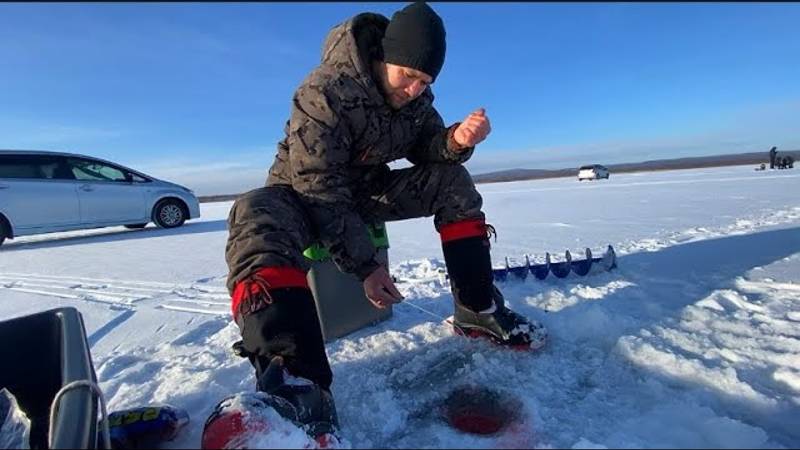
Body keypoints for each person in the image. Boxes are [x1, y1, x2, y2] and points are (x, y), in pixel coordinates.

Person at [219, 1, 547, 441]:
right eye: (408, 75)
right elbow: (319, 186)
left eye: (425, 81)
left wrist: (455, 140)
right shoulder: (325, 91)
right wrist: (367, 267)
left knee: (453, 181)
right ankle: (298, 387)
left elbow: (427, 146)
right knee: (253, 215)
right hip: (298, 196)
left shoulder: (415, 101)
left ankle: (477, 310)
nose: (415, 89)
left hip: (364, 194)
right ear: (383, 57)